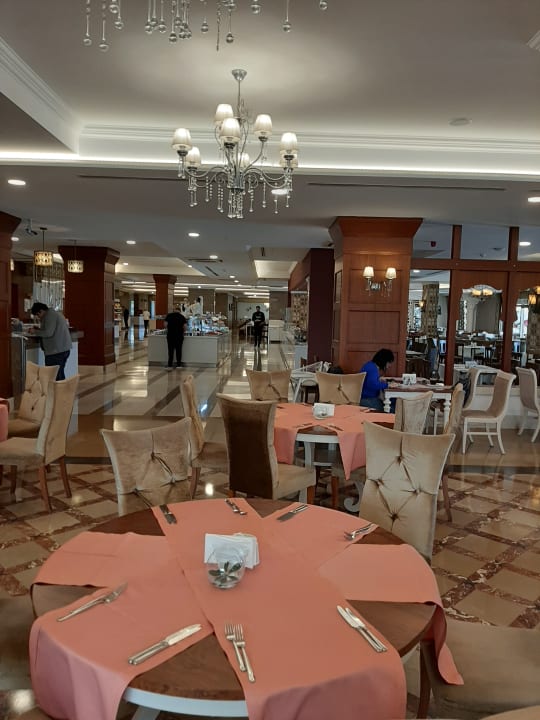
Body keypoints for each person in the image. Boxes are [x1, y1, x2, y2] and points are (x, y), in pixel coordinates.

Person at [29, 302, 72, 381]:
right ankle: (61, 388)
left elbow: (48, 333)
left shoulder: (50, 316)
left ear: (41, 311)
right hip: (61, 349)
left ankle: (59, 389)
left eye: (38, 315)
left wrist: (35, 331)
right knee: (59, 374)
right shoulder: (54, 314)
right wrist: (39, 330)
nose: (38, 317)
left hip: (56, 351)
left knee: (54, 375)